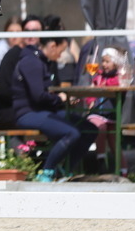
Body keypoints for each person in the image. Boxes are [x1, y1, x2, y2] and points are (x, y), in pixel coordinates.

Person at [12, 20, 98, 182]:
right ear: (52, 46)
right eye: (61, 51)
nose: (60, 55)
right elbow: (38, 96)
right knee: (71, 132)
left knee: (90, 129)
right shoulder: (32, 62)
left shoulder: (42, 62)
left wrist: (60, 99)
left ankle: (67, 170)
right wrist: (59, 98)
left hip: (44, 111)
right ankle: (47, 172)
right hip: (28, 114)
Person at [0, 14, 42, 129]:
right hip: (10, 109)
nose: (14, 36)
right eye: (10, 32)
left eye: (18, 32)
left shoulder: (32, 54)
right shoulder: (8, 53)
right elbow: (3, 91)